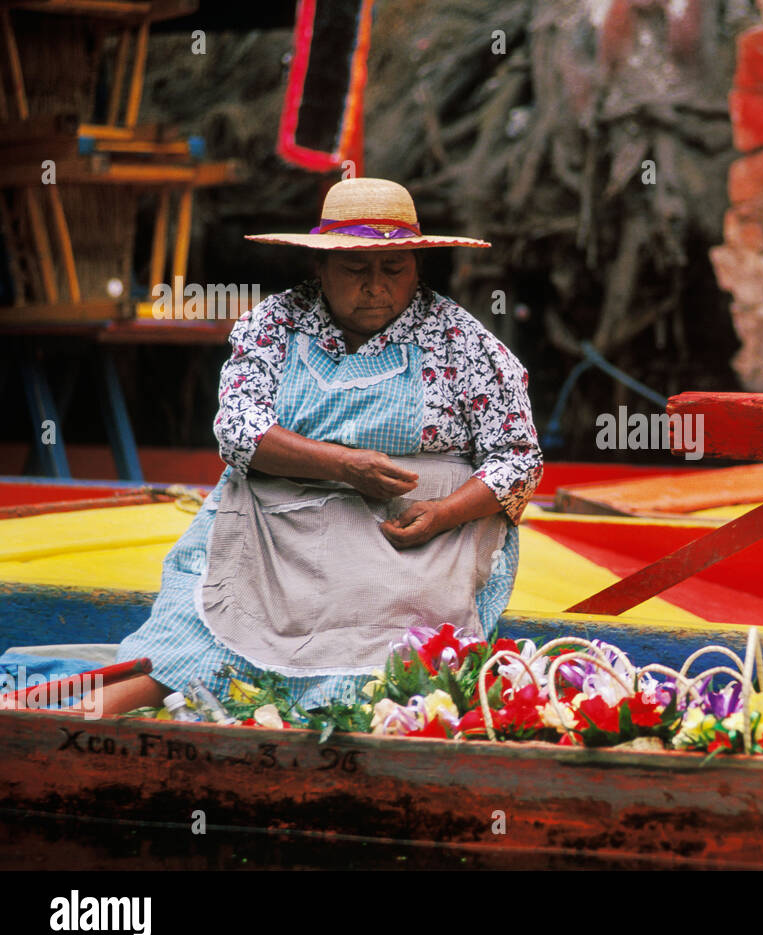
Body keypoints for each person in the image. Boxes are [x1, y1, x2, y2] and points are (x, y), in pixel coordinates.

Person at [97, 178, 542, 715]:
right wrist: (344, 466)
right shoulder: (275, 323)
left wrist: (444, 514)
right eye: (356, 269)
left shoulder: (461, 340)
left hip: (411, 544)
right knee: (184, 656)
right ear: (320, 267)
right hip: (273, 532)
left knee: (383, 687)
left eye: (394, 269)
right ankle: (65, 718)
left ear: (418, 267)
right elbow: (238, 428)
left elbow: (518, 458)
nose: (376, 286)